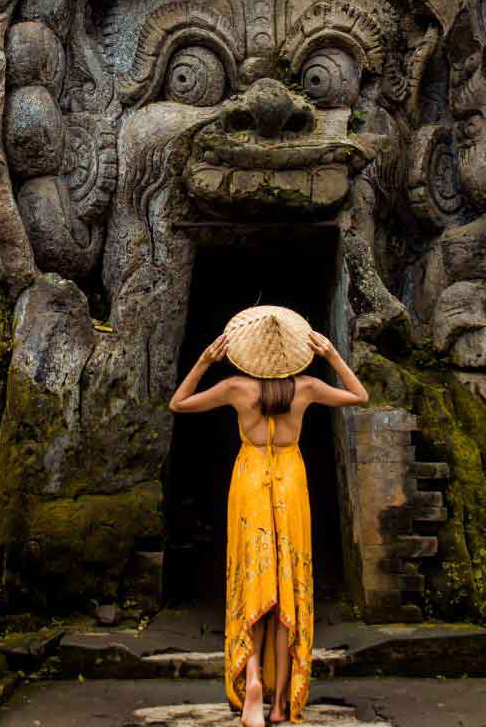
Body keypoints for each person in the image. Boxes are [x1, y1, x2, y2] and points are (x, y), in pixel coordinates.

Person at [169, 307, 369, 726]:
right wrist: (332, 355)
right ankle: (280, 703)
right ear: (296, 352)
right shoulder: (308, 387)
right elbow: (359, 396)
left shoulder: (236, 388)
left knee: (255, 582)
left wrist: (205, 361)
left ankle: (254, 678)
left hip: (250, 484)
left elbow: (179, 403)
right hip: (292, 484)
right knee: (288, 588)